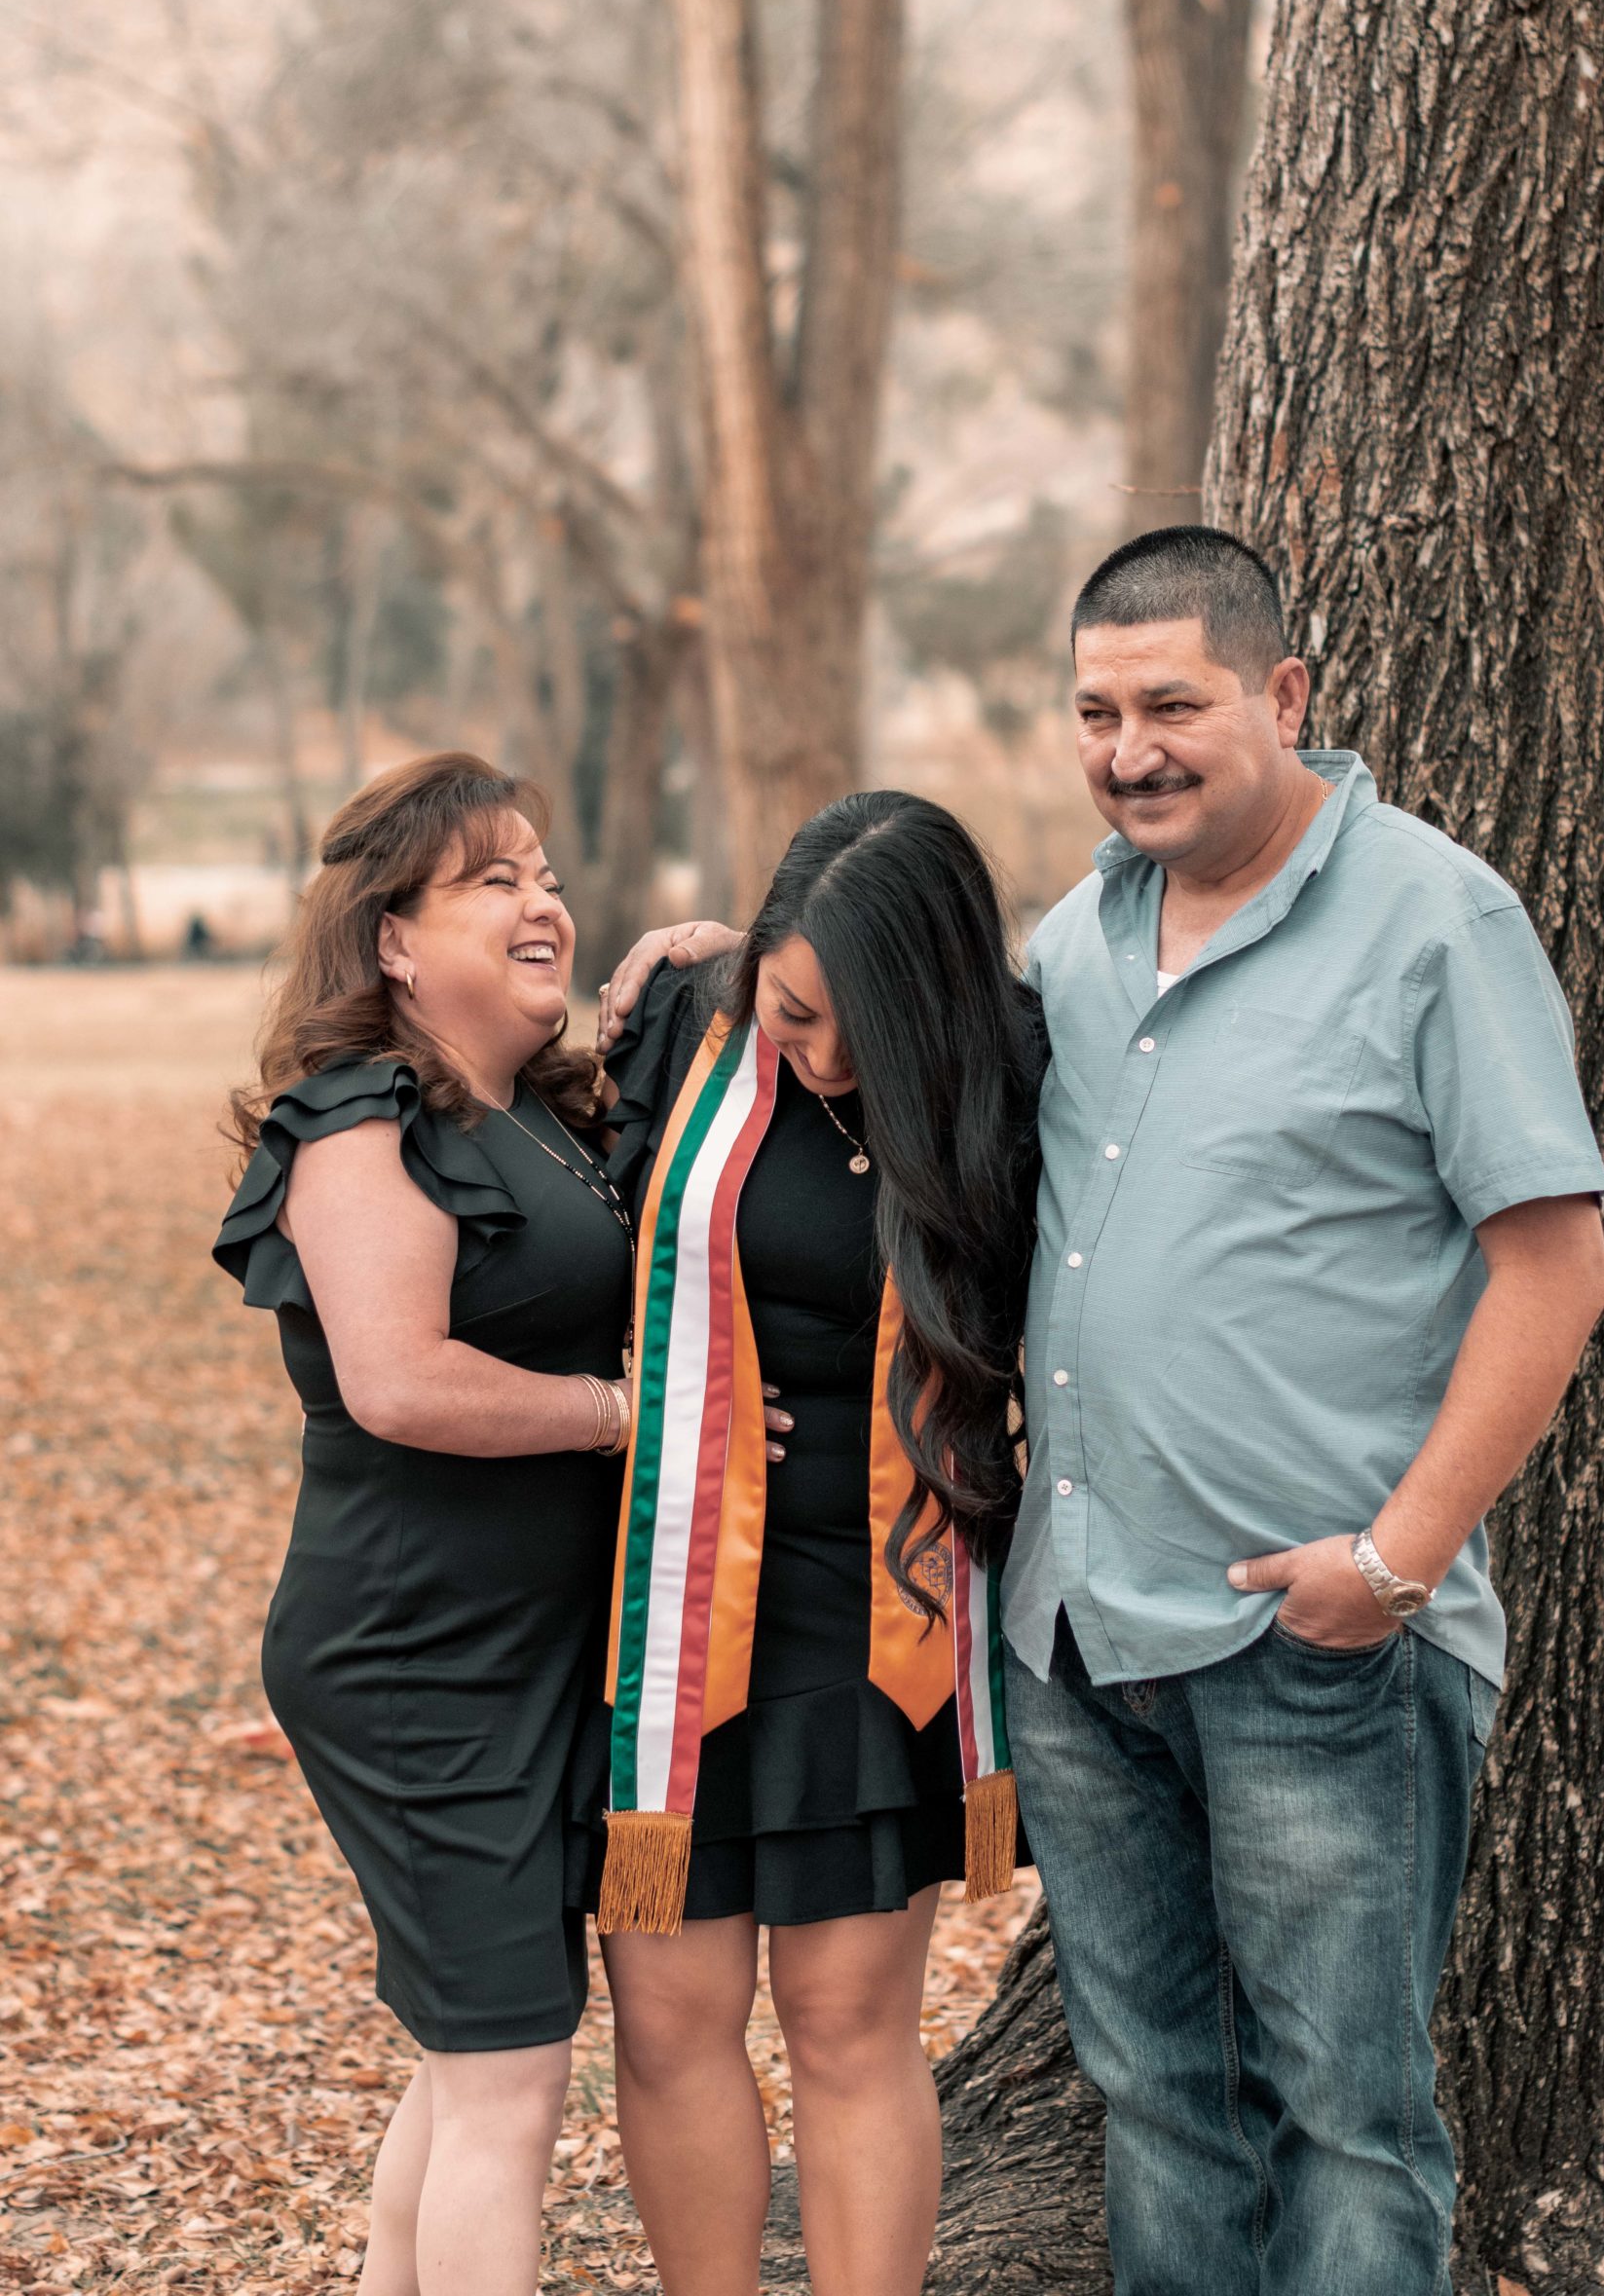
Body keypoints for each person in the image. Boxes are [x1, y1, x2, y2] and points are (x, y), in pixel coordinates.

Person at [999, 528, 1604, 2295]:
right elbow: (893, 1059)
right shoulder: (1080, 938)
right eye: (1098, 712)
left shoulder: (1435, 917)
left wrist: (1395, 1564)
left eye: (1173, 703)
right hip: (1082, 1633)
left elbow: (1556, 1266)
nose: (1131, 750)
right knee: (1151, 2098)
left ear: (1283, 695)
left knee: (1345, 2115)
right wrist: (751, 959)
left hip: (1319, 1642)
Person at [212, 753, 657, 2296]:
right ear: (392, 938)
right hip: (416, 1656)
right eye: (492, 880)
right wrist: (627, 1414)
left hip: (525, 1649)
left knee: (476, 2055)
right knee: (509, 2077)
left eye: (544, 872)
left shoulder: (531, 1115)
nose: (542, 901)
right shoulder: (361, 1121)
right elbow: (402, 1381)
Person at [591, 791, 1044, 2296]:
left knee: (849, 2025)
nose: (823, 1054)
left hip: (880, 1612)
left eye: (862, 1027)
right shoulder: (676, 1025)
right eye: (792, 1007)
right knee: (666, 2017)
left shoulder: (1012, 1074)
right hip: (669, 1599)